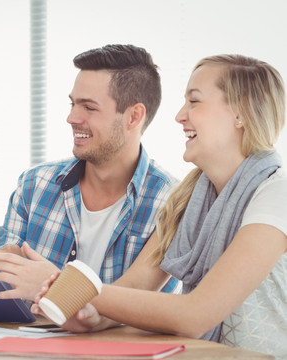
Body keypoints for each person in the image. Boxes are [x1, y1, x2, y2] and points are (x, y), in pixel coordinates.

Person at [33, 54, 287, 358]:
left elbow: (195, 315)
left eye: (194, 101)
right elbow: (136, 288)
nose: (180, 115)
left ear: (240, 113)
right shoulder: (187, 200)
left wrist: (78, 287)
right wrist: (91, 316)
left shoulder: (277, 194)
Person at [0, 44, 179, 321]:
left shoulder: (171, 202)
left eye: (89, 107)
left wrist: (53, 284)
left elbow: (136, 304)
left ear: (134, 116)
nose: (72, 118)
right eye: (73, 103)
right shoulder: (35, 184)